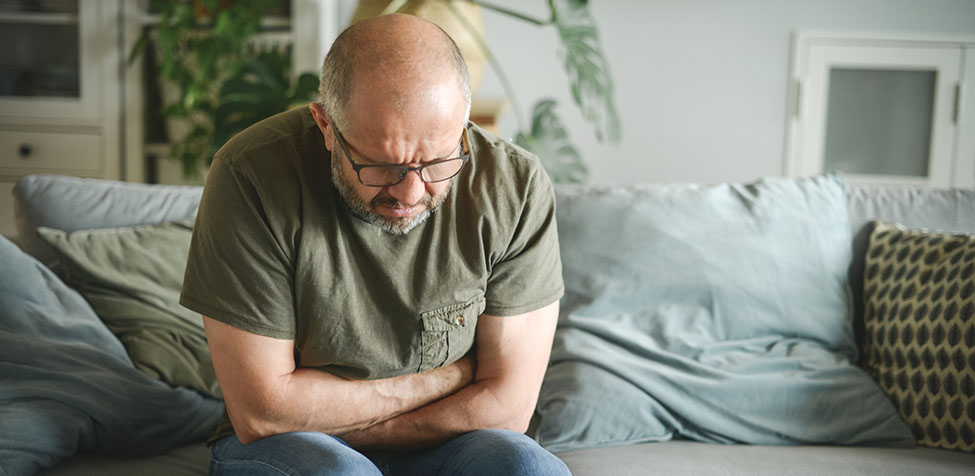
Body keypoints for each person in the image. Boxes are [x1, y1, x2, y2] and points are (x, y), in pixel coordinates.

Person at [180, 13, 569, 476]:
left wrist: (329, 407)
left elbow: (507, 409)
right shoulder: (250, 175)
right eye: (382, 166)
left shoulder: (514, 186)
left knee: (527, 467)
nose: (411, 193)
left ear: (462, 129)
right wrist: (450, 379)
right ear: (326, 125)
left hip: (453, 443)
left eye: (437, 161)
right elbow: (265, 411)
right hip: (295, 445)